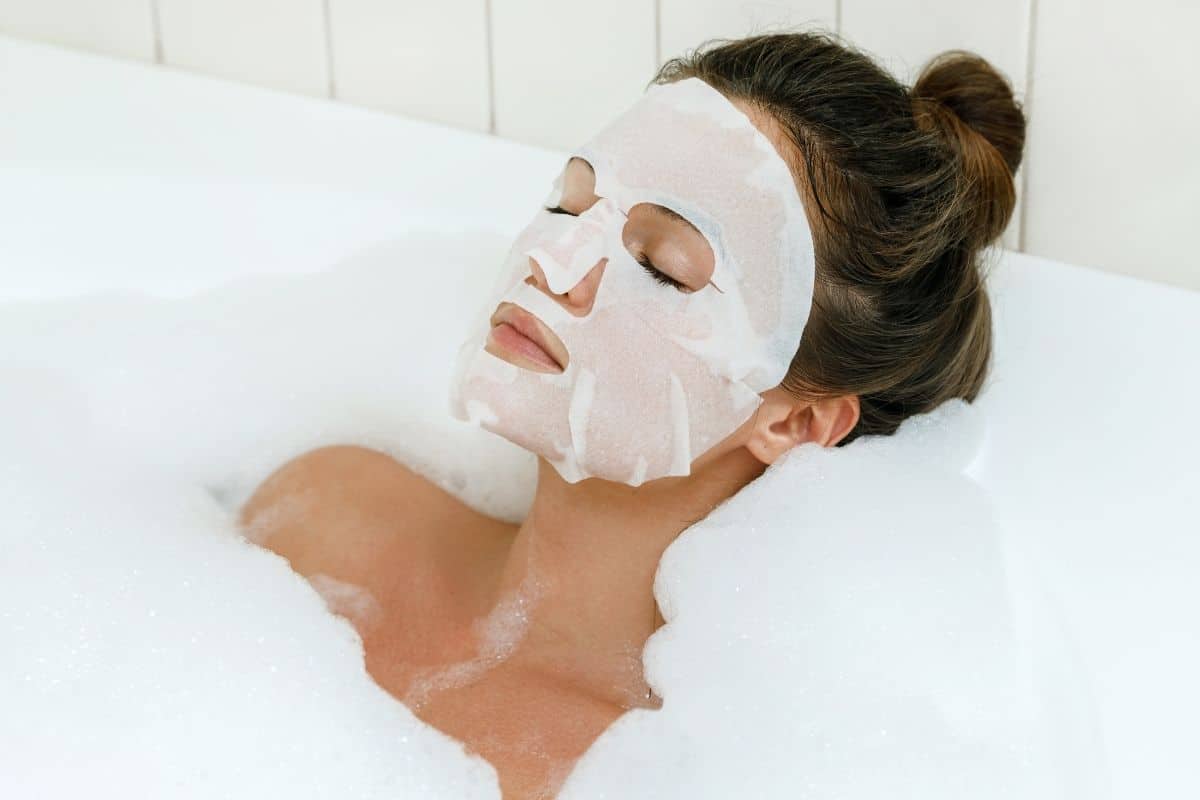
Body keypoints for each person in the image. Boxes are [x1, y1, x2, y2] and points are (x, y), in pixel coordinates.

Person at [239, 30, 1025, 800]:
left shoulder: (652, 771)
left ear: (793, 423)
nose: (556, 263)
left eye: (662, 267)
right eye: (567, 204)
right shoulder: (320, 517)